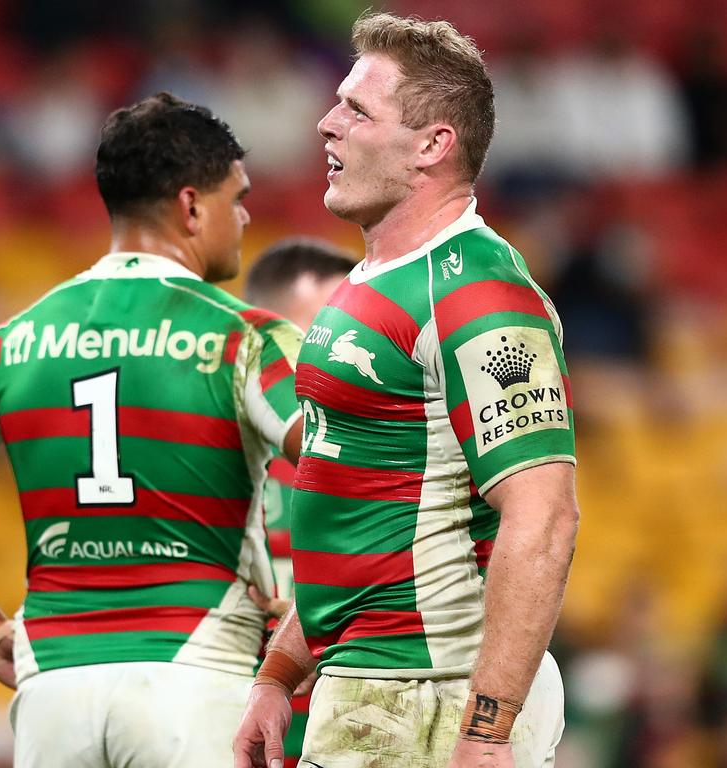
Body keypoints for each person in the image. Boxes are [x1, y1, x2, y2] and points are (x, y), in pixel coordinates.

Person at [0, 92, 305, 768]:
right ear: (190, 206)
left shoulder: (16, 339)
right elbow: (361, 468)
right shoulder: (245, 339)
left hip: (53, 692)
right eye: (236, 197)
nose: (244, 218)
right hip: (196, 677)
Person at [233, 12, 579, 768]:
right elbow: (355, 517)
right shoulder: (366, 286)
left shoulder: (478, 295)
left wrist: (485, 731)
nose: (326, 124)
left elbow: (544, 515)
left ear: (433, 145)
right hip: (370, 688)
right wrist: (281, 671)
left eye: (358, 110)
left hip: (431, 697)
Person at [244, 238, 356, 768]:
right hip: (234, 736)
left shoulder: (390, 455)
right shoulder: (210, 459)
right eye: (324, 331)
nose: (345, 350)